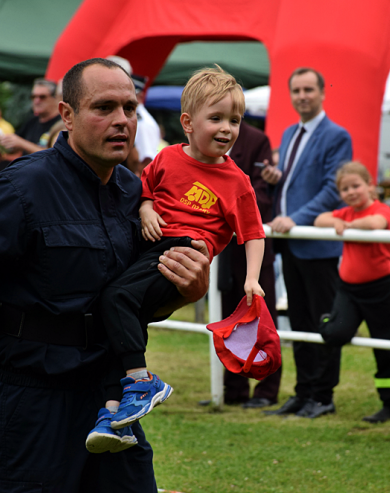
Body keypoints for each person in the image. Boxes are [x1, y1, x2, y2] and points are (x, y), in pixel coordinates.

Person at [0, 58, 211, 493]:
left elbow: (135, 305)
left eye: (129, 108)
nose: (122, 121)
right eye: (104, 108)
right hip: (34, 400)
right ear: (66, 115)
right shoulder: (23, 187)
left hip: (111, 401)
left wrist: (186, 291)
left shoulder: (133, 195)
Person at [86, 66, 266, 453]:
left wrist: (252, 279)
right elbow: (145, 188)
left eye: (234, 120)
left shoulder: (237, 182)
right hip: (149, 244)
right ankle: (117, 415)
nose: (227, 129)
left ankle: (141, 381)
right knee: (119, 316)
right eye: (215, 118)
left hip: (183, 251)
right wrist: (148, 209)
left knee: (116, 300)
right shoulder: (167, 157)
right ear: (187, 122)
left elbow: (252, 233)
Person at [261, 67, 352, 419]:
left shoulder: (336, 135)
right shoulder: (289, 133)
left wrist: (296, 218)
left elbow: (334, 188)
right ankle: (302, 392)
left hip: (316, 244)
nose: (302, 96)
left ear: (321, 93)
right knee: (297, 323)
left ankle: (323, 395)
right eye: (296, 90)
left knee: (322, 322)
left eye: (308, 90)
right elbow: (293, 183)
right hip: (291, 243)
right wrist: (274, 180)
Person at [316, 161, 390, 422]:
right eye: (345, 189)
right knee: (334, 333)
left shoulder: (381, 209)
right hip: (348, 291)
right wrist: (336, 221)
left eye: (356, 186)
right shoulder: (345, 213)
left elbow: (377, 223)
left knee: (387, 346)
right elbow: (319, 218)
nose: (351, 192)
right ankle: (326, 321)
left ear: (370, 185)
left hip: (380, 290)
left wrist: (348, 226)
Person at [220, 121, 282, 408]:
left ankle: (267, 391)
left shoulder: (256, 139)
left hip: (254, 240)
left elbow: (260, 194)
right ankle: (233, 389)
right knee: (229, 319)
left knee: (261, 316)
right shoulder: (206, 137)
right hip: (225, 246)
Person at [0, 78, 61, 155]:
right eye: (33, 97)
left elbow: (54, 155)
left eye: (42, 97)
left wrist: (22, 143)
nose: (36, 101)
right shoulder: (32, 121)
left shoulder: (61, 124)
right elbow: (12, 149)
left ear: (55, 98)